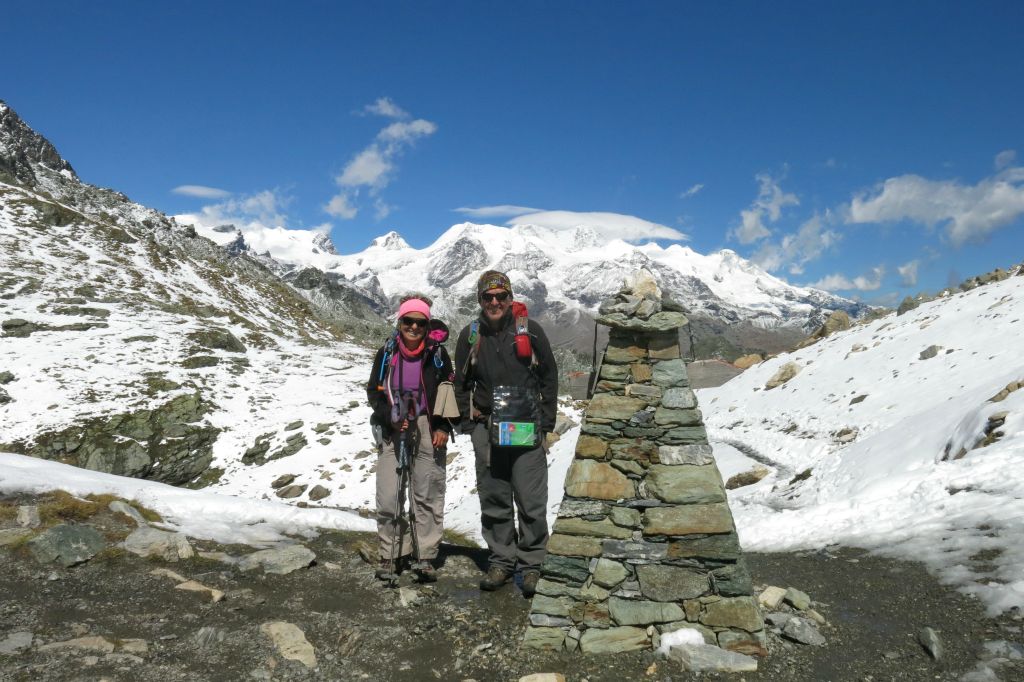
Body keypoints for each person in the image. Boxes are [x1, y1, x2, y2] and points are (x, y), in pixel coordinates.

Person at [454, 270, 558, 598]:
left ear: (510, 298)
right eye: (488, 297)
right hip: (487, 428)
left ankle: (532, 566)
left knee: (530, 498)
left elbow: (549, 375)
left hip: (526, 428)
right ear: (480, 301)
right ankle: (501, 560)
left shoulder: (530, 331)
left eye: (501, 296)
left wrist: (546, 422)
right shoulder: (471, 335)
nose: (495, 302)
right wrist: (468, 426)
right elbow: (461, 382)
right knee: (495, 497)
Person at [366, 294, 455, 583]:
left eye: (420, 322)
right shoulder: (387, 352)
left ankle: (426, 556)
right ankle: (392, 553)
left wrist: (443, 426)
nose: (414, 327)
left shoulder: (438, 355)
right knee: (390, 494)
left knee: (427, 492)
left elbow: (447, 392)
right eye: (409, 321)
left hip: (428, 427)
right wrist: (389, 415)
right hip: (394, 425)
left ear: (428, 325)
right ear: (400, 322)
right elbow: (374, 392)